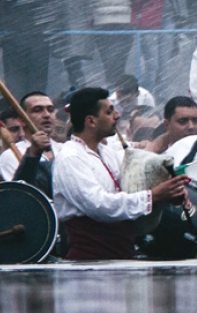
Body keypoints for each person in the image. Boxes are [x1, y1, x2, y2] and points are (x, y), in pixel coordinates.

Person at [53, 87, 188, 260]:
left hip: (119, 256)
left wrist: (168, 193)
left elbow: (133, 182)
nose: (117, 115)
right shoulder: (70, 158)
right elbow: (99, 206)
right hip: (89, 263)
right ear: (91, 121)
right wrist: (152, 196)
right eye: (109, 112)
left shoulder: (106, 152)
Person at [0, 92, 61, 197]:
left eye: (50, 110)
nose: (47, 115)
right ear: (22, 120)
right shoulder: (10, 156)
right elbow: (17, 196)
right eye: (38, 110)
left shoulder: (66, 150)